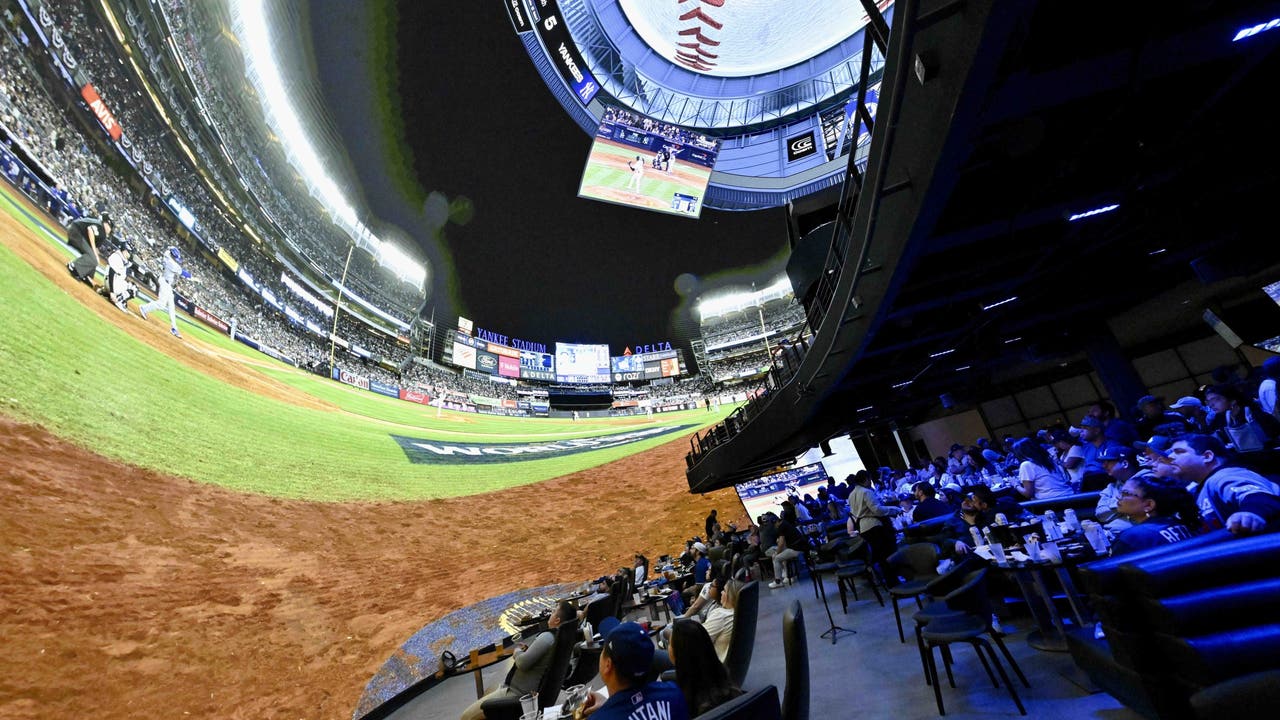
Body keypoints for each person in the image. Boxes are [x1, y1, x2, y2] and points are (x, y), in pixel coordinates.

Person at [459, 600, 577, 720]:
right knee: (490, 689)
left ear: (557, 620)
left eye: (553, 612)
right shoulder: (559, 638)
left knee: (465, 717)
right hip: (524, 691)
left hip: (518, 695)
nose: (550, 614)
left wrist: (517, 652)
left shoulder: (547, 637)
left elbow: (522, 663)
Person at [1167, 434, 1280, 536]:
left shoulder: (1224, 475)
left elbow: (1258, 496)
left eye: (1179, 451)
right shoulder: (1199, 488)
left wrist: (1250, 512)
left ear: (1207, 456)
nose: (1170, 457)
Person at [578, 622, 688, 720]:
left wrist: (607, 709)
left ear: (608, 665)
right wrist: (609, 705)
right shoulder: (674, 693)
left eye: (603, 651)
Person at [1110, 474, 1198, 555]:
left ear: (1149, 505)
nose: (1118, 496)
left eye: (1125, 493)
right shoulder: (1182, 524)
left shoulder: (1132, 538)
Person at [669, 619, 742, 715]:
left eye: (670, 644)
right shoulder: (733, 691)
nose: (668, 647)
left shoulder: (677, 704)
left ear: (679, 653)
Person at [139, 245, 192, 337]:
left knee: (171, 305)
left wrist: (172, 249)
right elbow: (184, 273)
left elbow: (169, 248)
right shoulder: (172, 264)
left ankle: (174, 328)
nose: (176, 260)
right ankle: (144, 308)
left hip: (165, 282)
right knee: (161, 304)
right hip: (165, 283)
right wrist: (192, 277)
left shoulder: (167, 254)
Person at [65, 211, 112, 283]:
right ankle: (74, 266)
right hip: (75, 232)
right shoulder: (100, 227)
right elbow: (90, 230)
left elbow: (95, 248)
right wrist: (95, 255)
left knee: (94, 259)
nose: (110, 229)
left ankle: (87, 276)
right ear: (106, 223)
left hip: (77, 232)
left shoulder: (101, 230)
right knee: (93, 257)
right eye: (110, 226)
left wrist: (97, 257)